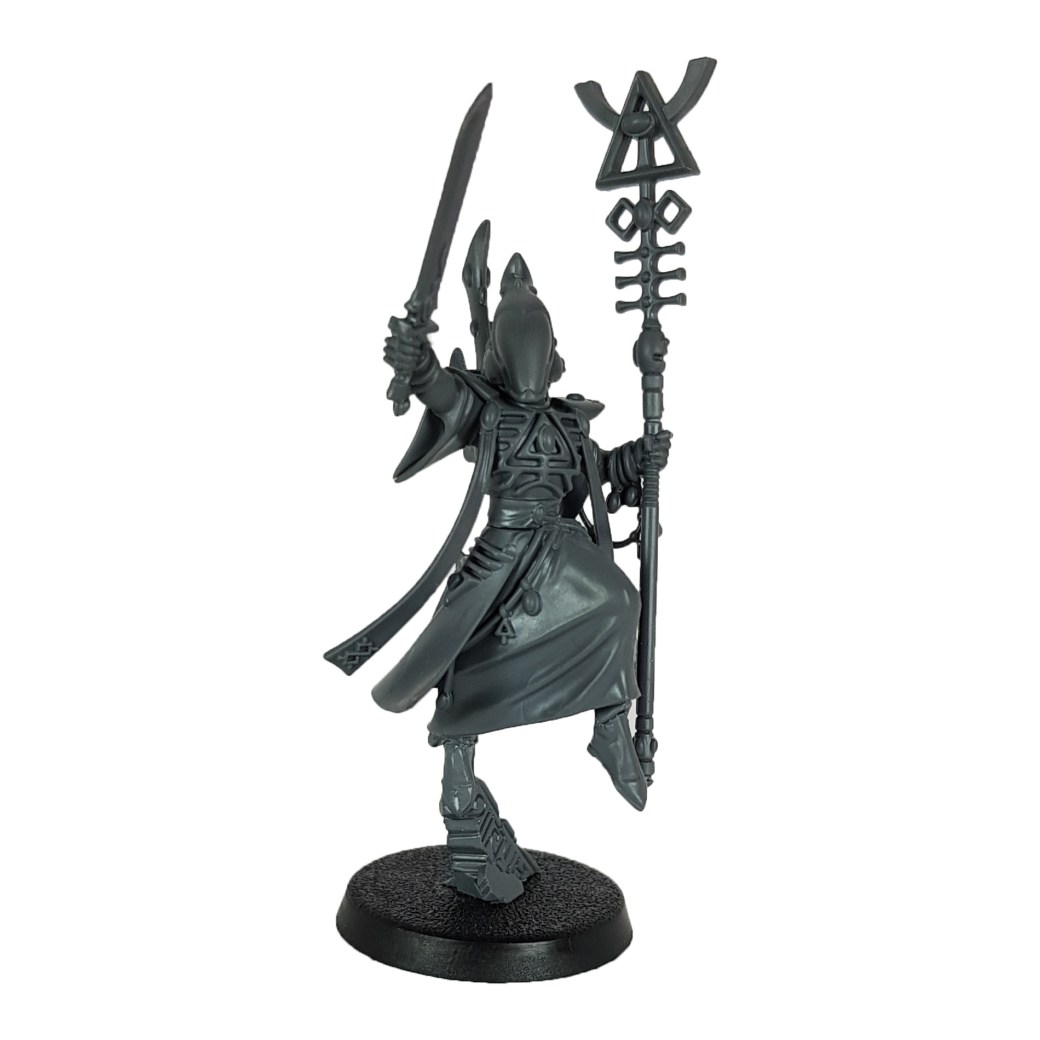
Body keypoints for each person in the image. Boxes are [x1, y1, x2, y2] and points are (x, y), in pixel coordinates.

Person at [338, 252, 670, 902]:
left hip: (559, 546)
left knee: (617, 600)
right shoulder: (486, 412)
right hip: (502, 554)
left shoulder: (569, 420)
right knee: (464, 667)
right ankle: (462, 792)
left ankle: (610, 721)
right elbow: (440, 391)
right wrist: (417, 361)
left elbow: (599, 473)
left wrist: (639, 458)